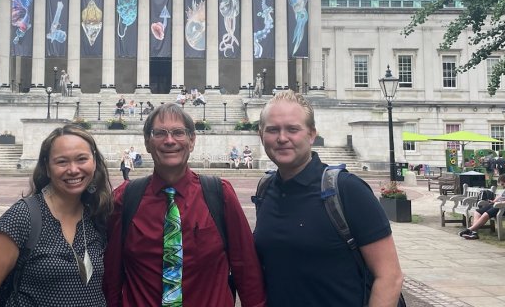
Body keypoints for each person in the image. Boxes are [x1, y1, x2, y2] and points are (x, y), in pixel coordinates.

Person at [103, 103, 266, 307]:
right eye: (159, 133)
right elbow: (111, 274)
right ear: (147, 142)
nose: (170, 141)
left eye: (178, 132)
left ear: (191, 141)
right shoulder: (125, 199)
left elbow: (246, 269)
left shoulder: (219, 195)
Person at [254, 91, 403, 306]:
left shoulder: (348, 189)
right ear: (261, 135)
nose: (282, 138)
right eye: (273, 130)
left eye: (293, 129)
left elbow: (390, 276)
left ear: (312, 134)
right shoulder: (265, 190)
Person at [0, 125, 113, 306]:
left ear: (95, 162)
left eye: (82, 159)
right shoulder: (22, 218)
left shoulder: (96, 215)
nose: (73, 169)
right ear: (47, 168)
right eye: (62, 162)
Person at [459, 174, 505, 240]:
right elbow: (501, 196)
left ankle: (470, 229)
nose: (503, 187)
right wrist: (493, 201)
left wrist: (500, 203)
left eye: (503, 184)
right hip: (498, 206)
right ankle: (474, 233)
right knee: (477, 212)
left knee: (486, 214)